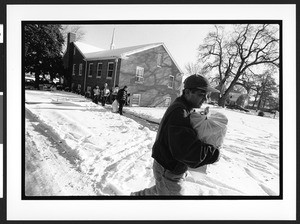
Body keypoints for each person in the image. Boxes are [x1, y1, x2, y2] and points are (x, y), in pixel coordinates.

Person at [131, 74, 220, 196]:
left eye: (206, 95)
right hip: (168, 169)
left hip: (168, 165)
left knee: (160, 190)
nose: (205, 99)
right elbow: (186, 150)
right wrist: (214, 153)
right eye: (201, 94)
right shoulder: (180, 112)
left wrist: (200, 116)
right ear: (188, 92)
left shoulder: (183, 107)